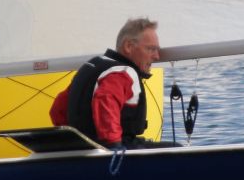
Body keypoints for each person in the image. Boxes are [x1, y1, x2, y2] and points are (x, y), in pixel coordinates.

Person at [50, 17, 177, 149]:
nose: (157, 56)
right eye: (151, 49)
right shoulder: (123, 73)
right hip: (114, 149)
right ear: (128, 47)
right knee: (176, 147)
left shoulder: (92, 65)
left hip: (86, 148)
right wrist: (113, 144)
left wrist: (74, 144)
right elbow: (106, 99)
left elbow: (58, 108)